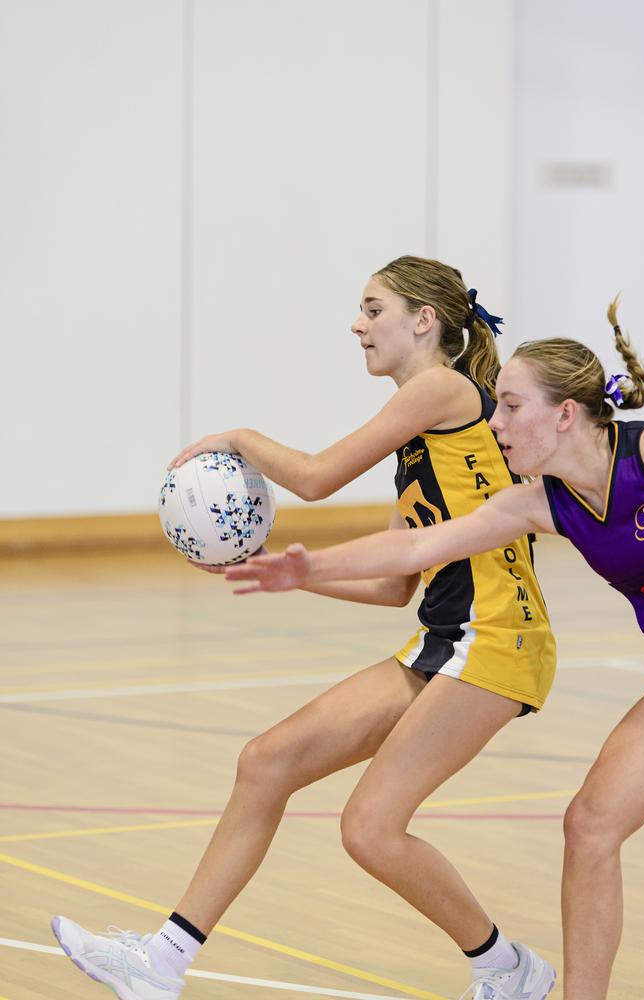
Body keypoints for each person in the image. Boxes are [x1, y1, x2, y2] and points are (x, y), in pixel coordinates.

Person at [51, 256, 558, 1000]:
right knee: (267, 761)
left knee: (370, 828)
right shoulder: (427, 430)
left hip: (499, 640)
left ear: (424, 320)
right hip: (446, 639)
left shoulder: (440, 389)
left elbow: (317, 477)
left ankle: (507, 969)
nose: (358, 324)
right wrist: (270, 565)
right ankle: (159, 964)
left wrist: (239, 438)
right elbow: (393, 586)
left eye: (372, 308)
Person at [225, 302, 644, 1000]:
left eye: (511, 407)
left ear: (567, 415)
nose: (499, 423)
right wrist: (311, 568)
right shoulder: (540, 503)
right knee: (591, 825)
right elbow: (419, 545)